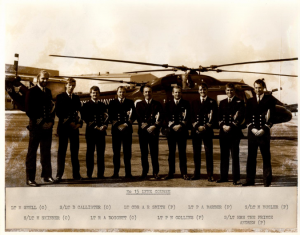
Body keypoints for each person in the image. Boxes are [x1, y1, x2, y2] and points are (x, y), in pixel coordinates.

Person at [242, 79, 276, 187]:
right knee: (251, 157)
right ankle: (250, 180)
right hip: (252, 133)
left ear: (263, 88)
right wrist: (252, 128)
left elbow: (273, 117)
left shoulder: (270, 100)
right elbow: (247, 118)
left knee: (266, 157)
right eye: (255, 87)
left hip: (263, 133)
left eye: (259, 87)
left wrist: (263, 129)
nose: (257, 89)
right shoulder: (250, 101)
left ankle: (267, 181)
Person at [25, 70, 55, 186]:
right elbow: (29, 110)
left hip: (47, 127)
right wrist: (42, 122)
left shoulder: (48, 91)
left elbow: (51, 108)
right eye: (43, 78)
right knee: (32, 153)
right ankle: (30, 179)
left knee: (46, 152)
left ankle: (47, 176)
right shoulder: (31, 91)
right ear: (38, 79)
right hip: (36, 127)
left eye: (47, 79)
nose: (45, 81)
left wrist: (51, 122)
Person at [217, 83, 245, 185]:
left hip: (234, 133)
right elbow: (219, 117)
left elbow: (240, 117)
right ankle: (223, 177)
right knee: (224, 156)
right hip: (223, 133)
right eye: (228, 90)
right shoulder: (222, 102)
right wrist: (223, 126)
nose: (229, 92)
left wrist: (230, 126)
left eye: (231, 90)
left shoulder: (239, 102)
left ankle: (235, 178)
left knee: (235, 156)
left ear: (234, 91)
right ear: (225, 91)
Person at [55, 78, 83, 182]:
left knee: (74, 152)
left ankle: (76, 175)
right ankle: (59, 175)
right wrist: (69, 122)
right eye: (70, 85)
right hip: (64, 128)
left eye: (73, 85)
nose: (71, 87)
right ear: (66, 86)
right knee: (62, 152)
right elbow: (59, 113)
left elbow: (79, 112)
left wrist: (78, 124)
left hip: (74, 129)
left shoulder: (76, 98)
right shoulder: (60, 97)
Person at [191, 82, 218, 182]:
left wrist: (205, 126)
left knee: (208, 153)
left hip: (207, 131)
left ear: (207, 90)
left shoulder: (212, 102)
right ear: (198, 91)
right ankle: (196, 174)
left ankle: (210, 174)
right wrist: (198, 127)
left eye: (204, 89)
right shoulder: (194, 102)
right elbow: (192, 117)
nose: (202, 91)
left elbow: (214, 118)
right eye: (201, 90)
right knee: (196, 154)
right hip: (196, 131)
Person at [108, 86, 136, 179]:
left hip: (127, 130)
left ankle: (128, 173)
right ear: (117, 93)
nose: (121, 93)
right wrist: (118, 125)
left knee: (127, 153)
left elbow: (133, 116)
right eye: (120, 92)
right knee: (116, 153)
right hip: (116, 131)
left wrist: (126, 124)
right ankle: (116, 173)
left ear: (125, 93)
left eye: (123, 92)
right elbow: (110, 116)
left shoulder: (130, 102)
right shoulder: (112, 102)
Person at [136, 85, 163, 180]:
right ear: (143, 93)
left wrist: (154, 126)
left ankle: (155, 172)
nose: (148, 93)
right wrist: (148, 127)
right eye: (146, 92)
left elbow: (161, 118)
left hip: (153, 133)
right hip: (143, 133)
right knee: (144, 153)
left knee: (154, 153)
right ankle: (144, 172)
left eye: (149, 92)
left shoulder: (157, 104)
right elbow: (139, 119)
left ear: (152, 93)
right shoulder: (139, 105)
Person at [81, 86, 109, 179]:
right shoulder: (86, 105)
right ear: (90, 94)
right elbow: (86, 119)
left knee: (101, 153)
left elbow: (106, 117)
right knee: (90, 153)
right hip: (91, 133)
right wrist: (96, 127)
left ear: (99, 94)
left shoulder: (103, 105)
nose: (95, 94)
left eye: (96, 93)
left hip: (101, 132)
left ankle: (100, 174)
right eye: (93, 92)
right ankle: (89, 174)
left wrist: (105, 126)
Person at [163, 86, 190, 180]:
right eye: (176, 92)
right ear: (172, 93)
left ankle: (184, 173)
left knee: (182, 153)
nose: (177, 94)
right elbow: (165, 117)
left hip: (182, 131)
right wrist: (172, 126)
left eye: (179, 92)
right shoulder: (168, 104)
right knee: (171, 153)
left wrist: (180, 125)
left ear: (181, 93)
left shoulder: (186, 104)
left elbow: (187, 117)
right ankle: (171, 173)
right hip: (172, 132)